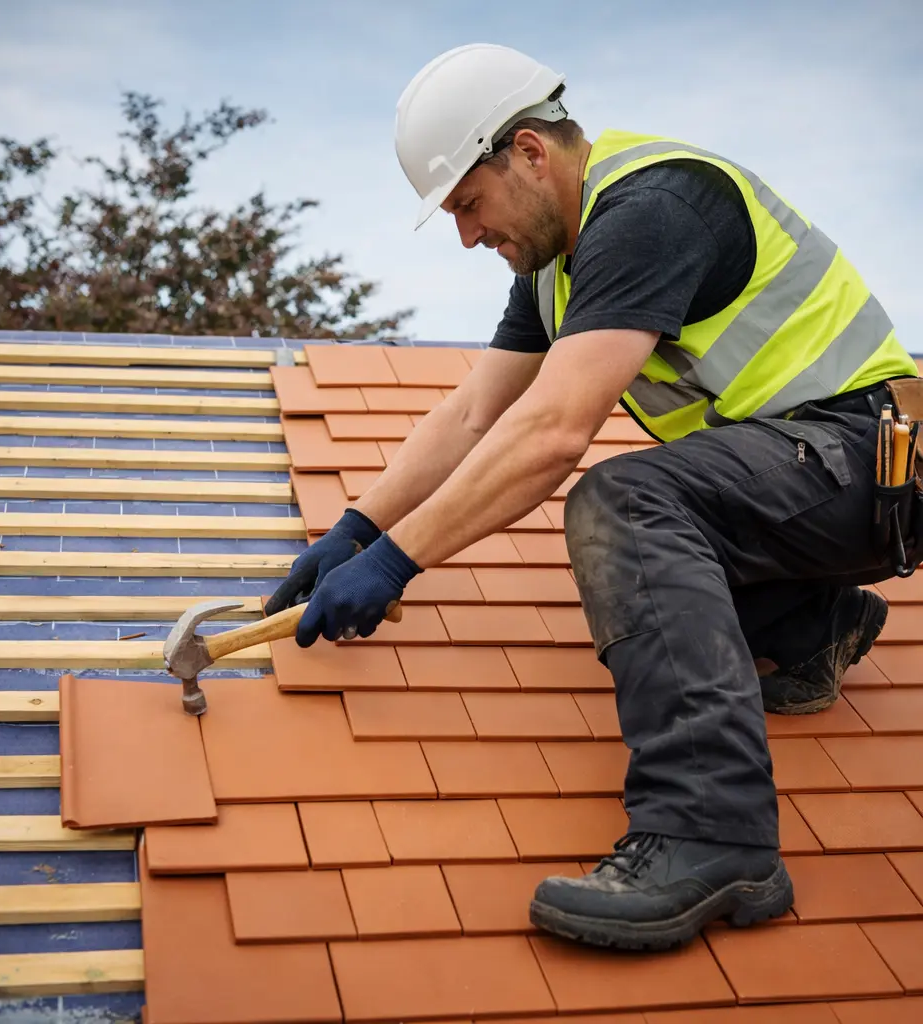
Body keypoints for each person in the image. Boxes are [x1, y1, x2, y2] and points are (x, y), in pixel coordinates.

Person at [264, 43, 922, 950]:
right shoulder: (553, 269)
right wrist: (357, 527)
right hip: (810, 486)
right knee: (662, 584)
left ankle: (713, 833)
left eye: (468, 204)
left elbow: (552, 434)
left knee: (623, 507)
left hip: (869, 462)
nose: (466, 235)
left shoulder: (651, 211)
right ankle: (815, 625)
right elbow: (471, 416)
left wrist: (396, 562)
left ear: (530, 152)